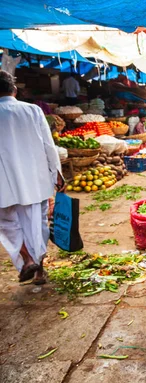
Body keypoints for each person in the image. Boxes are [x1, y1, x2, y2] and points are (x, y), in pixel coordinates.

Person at [0, 71, 64, 285]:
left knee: (7, 225)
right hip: (34, 181)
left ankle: (27, 259)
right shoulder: (32, 111)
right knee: (36, 225)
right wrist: (57, 173)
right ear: (14, 89)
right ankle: (39, 270)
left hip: (3, 184)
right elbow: (48, 144)